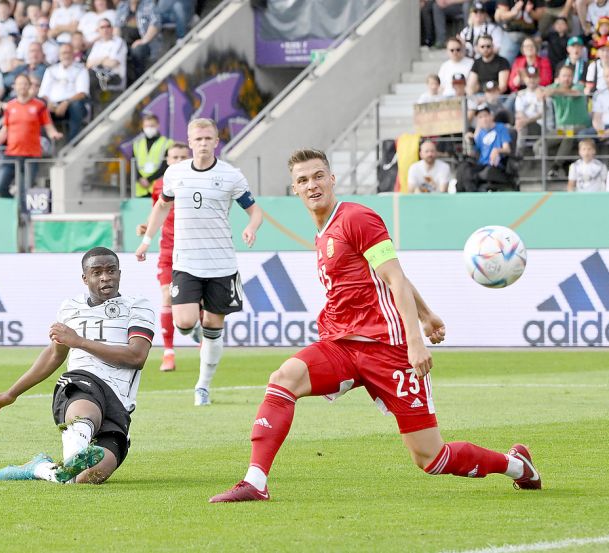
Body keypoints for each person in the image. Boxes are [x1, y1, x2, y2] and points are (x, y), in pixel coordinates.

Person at [208, 148, 541, 503]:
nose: (312, 185)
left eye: (319, 176)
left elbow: (394, 277)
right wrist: (428, 315)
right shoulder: (323, 233)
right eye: (303, 180)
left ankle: (517, 466)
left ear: (332, 179)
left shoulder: (357, 218)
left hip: (389, 349)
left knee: (431, 458)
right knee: (283, 379)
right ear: (295, 189)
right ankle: (255, 482)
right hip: (343, 345)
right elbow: (388, 277)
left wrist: (416, 340)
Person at [0, 247, 155, 484]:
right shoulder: (70, 308)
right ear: (85, 278)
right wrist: (12, 393)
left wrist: (79, 341)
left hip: (119, 402)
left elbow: (137, 357)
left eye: (111, 271)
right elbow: (54, 355)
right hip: (82, 382)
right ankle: (77, 448)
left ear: (120, 274)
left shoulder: (138, 306)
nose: (105, 277)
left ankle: (39, 468)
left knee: (84, 479)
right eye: (97, 272)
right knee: (86, 409)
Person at [135, 118, 265, 406]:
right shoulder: (175, 174)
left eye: (208, 138)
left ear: (216, 141)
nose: (203, 143)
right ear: (190, 141)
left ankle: (202, 386)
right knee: (183, 322)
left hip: (221, 264)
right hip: (187, 262)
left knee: (214, 326)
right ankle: (193, 331)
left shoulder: (232, 176)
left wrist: (251, 228)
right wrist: (146, 241)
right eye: (198, 139)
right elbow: (161, 206)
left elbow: (255, 212)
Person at [135, 142, 190, 372]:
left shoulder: (196, 182)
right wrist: (148, 227)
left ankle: (200, 336)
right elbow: (159, 208)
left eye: (182, 157)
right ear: (167, 160)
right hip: (168, 249)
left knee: (197, 306)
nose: (177, 160)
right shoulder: (160, 185)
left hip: (194, 251)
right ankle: (168, 353)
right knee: (166, 296)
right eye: (174, 157)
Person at [0, 74, 63, 198]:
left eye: (25, 83)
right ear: (15, 87)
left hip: (31, 154)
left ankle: (22, 215)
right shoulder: (10, 106)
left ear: (29, 86)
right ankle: (14, 208)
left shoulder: (39, 106)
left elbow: (48, 125)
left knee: (24, 189)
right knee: (0, 186)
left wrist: (54, 134)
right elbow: (5, 130)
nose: (22, 86)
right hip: (12, 153)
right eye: (19, 84)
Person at [40, 43, 91, 140]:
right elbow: (43, 93)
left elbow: (82, 93)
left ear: (73, 54)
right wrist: (49, 103)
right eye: (63, 53)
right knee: (38, 107)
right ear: (59, 55)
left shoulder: (81, 69)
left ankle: (72, 142)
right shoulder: (51, 70)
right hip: (52, 105)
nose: (66, 55)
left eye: (68, 52)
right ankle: (44, 144)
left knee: (76, 105)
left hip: (72, 105)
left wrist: (66, 103)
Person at [131, 114, 173, 198]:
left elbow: (166, 166)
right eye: (146, 126)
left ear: (158, 125)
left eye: (152, 125)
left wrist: (149, 180)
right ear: (143, 126)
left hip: (159, 187)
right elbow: (133, 165)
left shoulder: (167, 143)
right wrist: (140, 179)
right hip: (140, 189)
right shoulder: (137, 144)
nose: (149, 128)